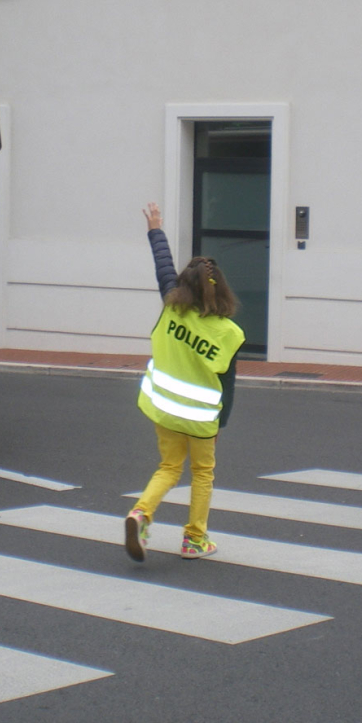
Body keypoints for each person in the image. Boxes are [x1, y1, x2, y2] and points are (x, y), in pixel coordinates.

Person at [125, 203, 245, 562]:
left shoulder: (170, 306)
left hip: (162, 408)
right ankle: (194, 539)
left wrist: (156, 229)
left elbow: (163, 266)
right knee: (202, 472)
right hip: (200, 419)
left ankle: (141, 513)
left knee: (169, 467)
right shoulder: (230, 333)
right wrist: (220, 423)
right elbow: (228, 387)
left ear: (182, 286)